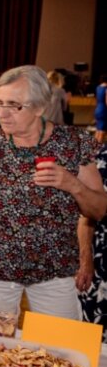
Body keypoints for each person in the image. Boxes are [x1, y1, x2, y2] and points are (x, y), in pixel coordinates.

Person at [0, 65, 107, 320]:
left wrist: (73, 185)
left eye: (14, 105)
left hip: (54, 272)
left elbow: (99, 209)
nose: (3, 113)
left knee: (60, 350)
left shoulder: (73, 144)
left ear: (40, 108)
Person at [79, 144, 107, 341]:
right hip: (102, 261)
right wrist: (85, 260)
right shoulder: (103, 158)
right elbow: (85, 216)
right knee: (94, 337)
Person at [93, 74, 107, 143]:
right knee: (102, 131)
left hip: (98, 108)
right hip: (104, 110)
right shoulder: (106, 88)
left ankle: (94, 147)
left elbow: (97, 100)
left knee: (98, 129)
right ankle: (98, 149)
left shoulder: (98, 87)